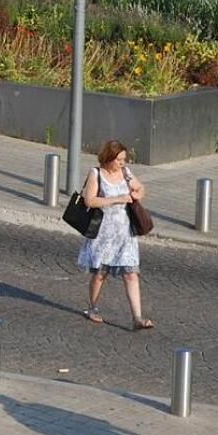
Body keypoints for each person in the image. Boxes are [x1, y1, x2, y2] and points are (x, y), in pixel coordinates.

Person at [76, 140, 154, 331]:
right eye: (119, 159)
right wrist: (117, 199)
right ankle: (92, 307)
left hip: (125, 234)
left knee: (131, 274)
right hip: (103, 235)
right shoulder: (96, 174)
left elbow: (141, 187)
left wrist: (137, 194)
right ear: (109, 158)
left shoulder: (126, 173)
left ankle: (137, 317)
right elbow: (90, 200)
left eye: (124, 159)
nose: (122, 163)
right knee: (99, 275)